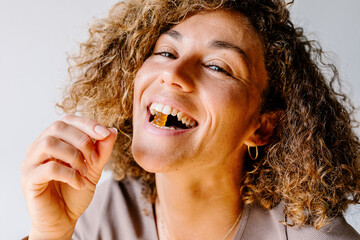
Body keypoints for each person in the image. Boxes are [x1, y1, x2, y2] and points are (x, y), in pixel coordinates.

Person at [21, 0, 360, 239]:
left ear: (262, 126)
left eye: (217, 66)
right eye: (166, 52)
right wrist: (51, 234)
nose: (172, 73)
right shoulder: (99, 211)